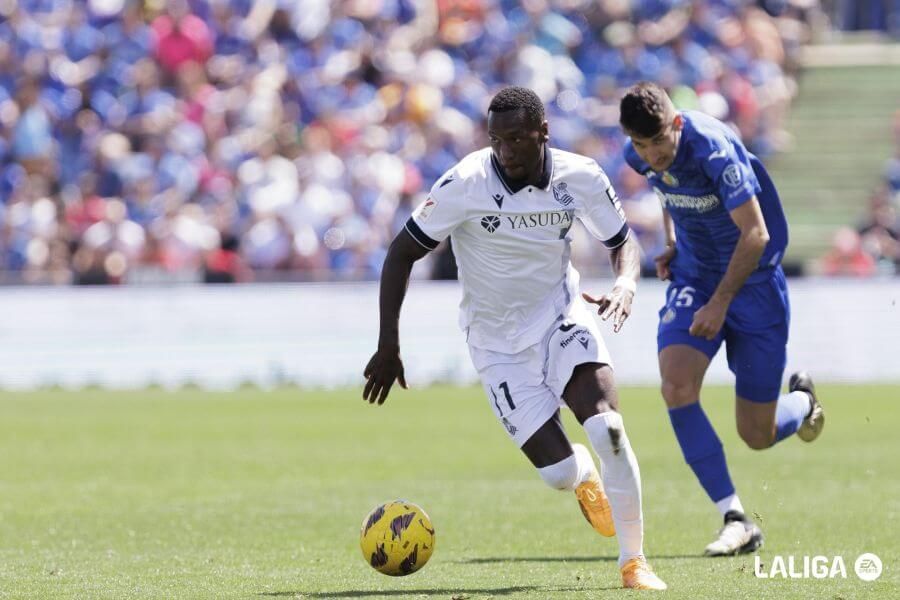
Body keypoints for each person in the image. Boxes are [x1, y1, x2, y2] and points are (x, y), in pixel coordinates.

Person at [363, 86, 667, 590]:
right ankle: (582, 478)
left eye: (517, 139)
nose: (505, 151)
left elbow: (621, 242)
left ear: (542, 133)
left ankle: (634, 562)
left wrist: (626, 284)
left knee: (608, 430)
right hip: (495, 344)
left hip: (562, 318)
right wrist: (388, 343)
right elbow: (400, 254)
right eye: (497, 140)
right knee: (559, 475)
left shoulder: (581, 177)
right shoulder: (465, 182)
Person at [618, 82, 824, 557]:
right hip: (694, 274)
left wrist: (720, 303)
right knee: (675, 385)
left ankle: (801, 402)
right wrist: (672, 243)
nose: (652, 154)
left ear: (677, 123)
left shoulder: (713, 149)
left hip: (753, 284)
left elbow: (755, 235)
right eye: (641, 145)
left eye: (658, 142)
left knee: (757, 434)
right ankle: (735, 517)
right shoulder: (640, 155)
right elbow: (666, 190)